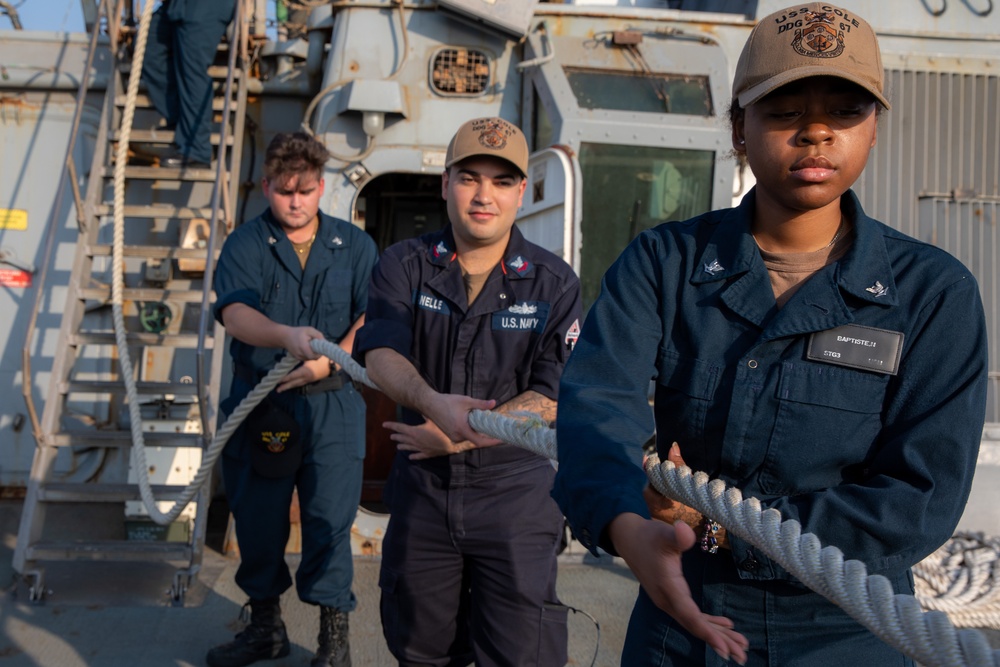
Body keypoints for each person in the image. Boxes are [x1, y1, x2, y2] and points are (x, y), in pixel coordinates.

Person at [552, 4, 989, 666]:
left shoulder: (932, 295)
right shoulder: (664, 264)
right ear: (738, 128)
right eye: (785, 110)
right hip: (684, 610)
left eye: (844, 111)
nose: (816, 132)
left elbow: (918, 495)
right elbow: (595, 406)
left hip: (847, 625)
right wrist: (628, 524)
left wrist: (722, 529)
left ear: (874, 131)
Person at [354, 117, 582, 666]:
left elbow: (551, 394)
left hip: (516, 496)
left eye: (502, 181)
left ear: (522, 192)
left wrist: (460, 437)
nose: (484, 195)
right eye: (469, 177)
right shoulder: (403, 265)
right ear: (445, 183)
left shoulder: (555, 283)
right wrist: (434, 406)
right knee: (420, 647)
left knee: (519, 653)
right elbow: (379, 349)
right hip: (423, 492)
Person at [209, 131, 377, 667]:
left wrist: (331, 358)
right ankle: (265, 628)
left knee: (329, 522)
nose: (296, 202)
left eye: (305, 191)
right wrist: (286, 337)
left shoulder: (354, 246)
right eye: (285, 192)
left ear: (322, 186)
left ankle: (333, 643)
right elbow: (234, 314)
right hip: (262, 405)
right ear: (266, 187)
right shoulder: (244, 244)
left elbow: (372, 316)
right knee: (258, 521)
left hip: (332, 406)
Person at [141, 0, 237, 168]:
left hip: (206, 6)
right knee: (149, 50)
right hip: (177, 5)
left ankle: (196, 149)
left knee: (192, 72)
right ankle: (181, 122)